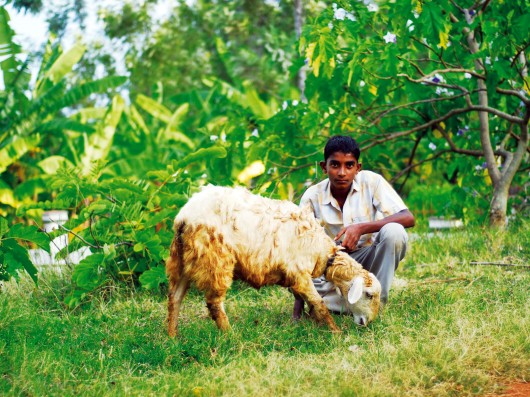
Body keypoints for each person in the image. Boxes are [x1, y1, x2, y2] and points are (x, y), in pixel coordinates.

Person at [295, 135, 415, 316]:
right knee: (307, 286)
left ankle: (375, 305)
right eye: (335, 165)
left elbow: (407, 218)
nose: (342, 172)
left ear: (358, 168)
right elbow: (299, 252)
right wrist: (297, 311)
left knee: (394, 232)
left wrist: (361, 228)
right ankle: (350, 301)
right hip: (333, 269)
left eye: (349, 165)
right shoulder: (312, 197)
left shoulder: (372, 182)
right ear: (324, 167)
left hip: (368, 262)